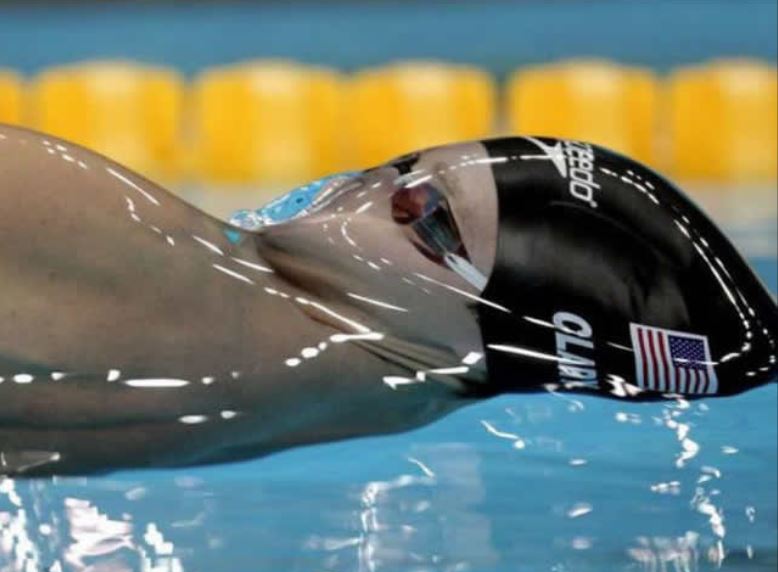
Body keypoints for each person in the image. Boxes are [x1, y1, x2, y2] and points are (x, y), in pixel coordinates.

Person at [0, 124, 775, 476]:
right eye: (407, 164)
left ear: (491, 338)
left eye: (433, 224)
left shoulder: (132, 250)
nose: (386, 190)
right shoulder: (376, 399)